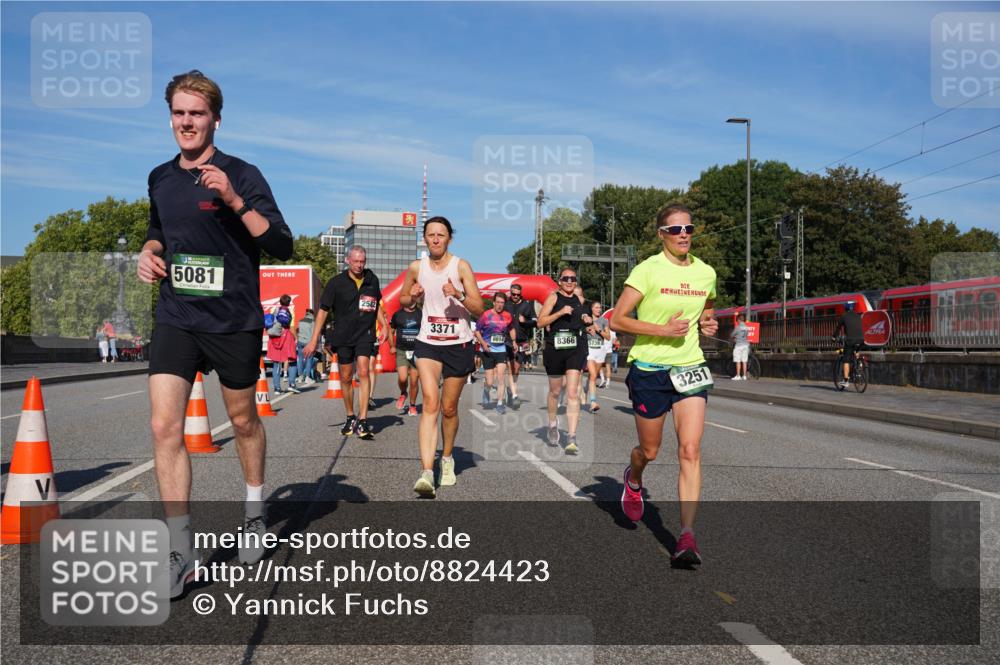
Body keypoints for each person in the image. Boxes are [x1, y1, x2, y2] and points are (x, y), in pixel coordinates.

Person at [137, 70, 293, 597]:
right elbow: (159, 230)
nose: (186, 122)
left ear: (215, 119)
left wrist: (233, 199)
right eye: (178, 113)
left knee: (245, 420)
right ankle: (179, 551)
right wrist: (150, 253)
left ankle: (254, 511)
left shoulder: (242, 173)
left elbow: (281, 245)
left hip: (233, 319)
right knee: (164, 428)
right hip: (177, 316)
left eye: (196, 114)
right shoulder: (160, 177)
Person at [610, 203, 717, 568]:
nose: (683, 234)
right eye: (674, 230)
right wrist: (661, 330)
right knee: (650, 451)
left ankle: (687, 536)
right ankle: (634, 476)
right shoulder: (647, 270)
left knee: (690, 450)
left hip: (690, 367)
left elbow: (706, 309)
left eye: (688, 228)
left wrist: (708, 324)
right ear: (661, 235)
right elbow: (617, 320)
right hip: (650, 370)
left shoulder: (706, 272)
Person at [401, 216, 484, 498]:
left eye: (441, 235)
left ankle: (446, 458)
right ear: (424, 238)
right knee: (430, 404)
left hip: (458, 344)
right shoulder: (416, 267)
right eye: (431, 234)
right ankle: (426, 472)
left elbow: (479, 308)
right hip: (428, 344)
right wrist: (412, 296)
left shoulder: (461, 266)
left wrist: (458, 294)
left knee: (449, 408)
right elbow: (403, 300)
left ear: (449, 238)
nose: (436, 239)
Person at [303, 246, 388, 440]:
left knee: (364, 371)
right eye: (356, 261)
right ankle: (350, 416)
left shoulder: (371, 280)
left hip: (365, 333)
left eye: (362, 261)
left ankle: (364, 419)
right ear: (348, 260)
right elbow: (323, 311)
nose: (360, 265)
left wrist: (384, 326)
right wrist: (314, 339)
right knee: (347, 377)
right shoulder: (336, 283)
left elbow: (376, 306)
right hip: (343, 335)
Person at [537, 268, 592, 454]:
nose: (570, 281)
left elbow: (586, 318)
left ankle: (571, 437)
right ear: (559, 281)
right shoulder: (553, 298)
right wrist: (560, 313)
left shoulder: (580, 299)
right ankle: (552, 424)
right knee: (555, 391)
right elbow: (540, 322)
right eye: (566, 278)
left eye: (573, 278)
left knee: (572, 392)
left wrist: (586, 318)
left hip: (575, 349)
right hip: (555, 348)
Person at [474, 291, 516, 415]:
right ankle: (486, 391)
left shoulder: (507, 316)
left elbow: (512, 328)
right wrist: (483, 343)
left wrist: (513, 342)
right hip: (487, 350)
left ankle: (499, 403)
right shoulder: (486, 315)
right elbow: (477, 331)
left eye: (502, 303)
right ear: (493, 302)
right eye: (497, 302)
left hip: (501, 349)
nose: (500, 305)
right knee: (490, 381)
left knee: (501, 378)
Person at [503, 283, 535, 409]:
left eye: (517, 294)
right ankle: (514, 394)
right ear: (510, 293)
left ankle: (511, 389)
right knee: (510, 368)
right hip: (508, 340)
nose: (515, 296)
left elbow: (535, 322)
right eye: (513, 294)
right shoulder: (506, 304)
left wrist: (525, 321)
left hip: (522, 341)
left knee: (516, 369)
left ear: (520, 293)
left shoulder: (527, 305)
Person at [390, 300, 422, 416]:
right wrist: (392, 346)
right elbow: (391, 330)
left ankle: (412, 406)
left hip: (417, 351)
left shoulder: (421, 314)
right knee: (403, 378)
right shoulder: (398, 314)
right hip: (401, 350)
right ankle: (403, 393)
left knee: (414, 381)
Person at [267, 294, 298, 394]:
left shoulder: (273, 310)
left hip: (275, 337)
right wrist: (296, 338)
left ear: (279, 302)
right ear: (289, 303)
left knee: (276, 363)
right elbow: (292, 327)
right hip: (287, 336)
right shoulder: (290, 311)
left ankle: (277, 388)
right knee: (292, 360)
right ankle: (292, 384)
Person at [584, 301, 611, 413]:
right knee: (594, 375)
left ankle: (586, 389)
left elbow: (608, 337)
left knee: (592, 376)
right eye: (596, 307)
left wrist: (598, 329)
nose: (599, 309)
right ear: (591, 309)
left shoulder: (604, 321)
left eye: (600, 307)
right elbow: (580, 330)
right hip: (589, 350)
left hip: (600, 350)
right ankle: (593, 402)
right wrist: (587, 329)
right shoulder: (586, 319)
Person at [832, 301, 864, 388]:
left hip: (850, 340)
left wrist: (834, 337)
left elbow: (838, 328)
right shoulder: (858, 316)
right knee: (856, 353)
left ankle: (846, 381)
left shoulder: (844, 316)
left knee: (846, 360)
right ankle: (859, 368)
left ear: (845, 308)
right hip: (861, 340)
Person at [295, 308, 318, 384]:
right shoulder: (313, 322)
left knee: (300, 359)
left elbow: (298, 330)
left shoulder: (301, 321)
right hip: (308, 342)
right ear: (312, 314)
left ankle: (300, 376)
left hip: (300, 342)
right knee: (309, 359)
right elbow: (313, 334)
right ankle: (307, 377)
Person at [730, 312, 751, 380]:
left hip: (739, 345)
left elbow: (732, 335)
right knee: (744, 361)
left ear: (739, 320)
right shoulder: (747, 328)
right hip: (746, 345)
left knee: (738, 360)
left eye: (737, 320)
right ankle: (744, 376)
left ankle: (738, 375)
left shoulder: (738, 328)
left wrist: (734, 338)